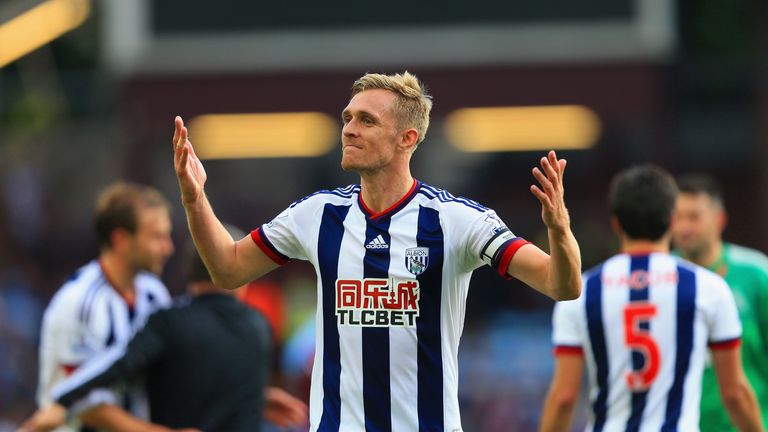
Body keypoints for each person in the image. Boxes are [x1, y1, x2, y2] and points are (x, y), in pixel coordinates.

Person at [172, 71, 582, 430]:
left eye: (366, 121)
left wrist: (559, 231)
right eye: (348, 118)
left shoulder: (455, 220)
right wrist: (195, 201)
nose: (349, 129)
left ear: (407, 138)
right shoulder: (319, 214)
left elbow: (560, 285)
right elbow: (227, 270)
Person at [539, 165, 765, 432]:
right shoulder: (708, 288)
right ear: (672, 220)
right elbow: (736, 394)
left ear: (616, 223)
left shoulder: (582, 292)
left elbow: (564, 398)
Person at [19, 225, 308, 432]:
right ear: (243, 276)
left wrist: (63, 397)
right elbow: (217, 383)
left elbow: (120, 365)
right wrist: (257, 400)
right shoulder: (259, 327)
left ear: (187, 273)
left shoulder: (167, 322)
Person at [36, 182, 175, 431]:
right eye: (157, 237)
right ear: (121, 239)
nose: (168, 248)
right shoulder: (77, 302)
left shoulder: (155, 294)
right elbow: (83, 401)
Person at [672, 173, 768, 432]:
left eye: (693, 217)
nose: (684, 227)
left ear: (719, 219)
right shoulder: (659, 278)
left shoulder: (756, 275)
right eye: (677, 218)